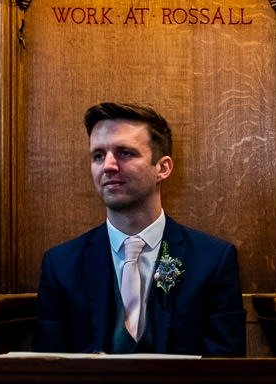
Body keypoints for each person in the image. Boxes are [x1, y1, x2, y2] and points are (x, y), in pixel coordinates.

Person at [34, 102, 246, 355]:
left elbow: (226, 367)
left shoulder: (212, 260)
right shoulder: (60, 265)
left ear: (163, 168)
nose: (108, 166)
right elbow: (47, 369)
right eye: (98, 156)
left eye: (125, 153)